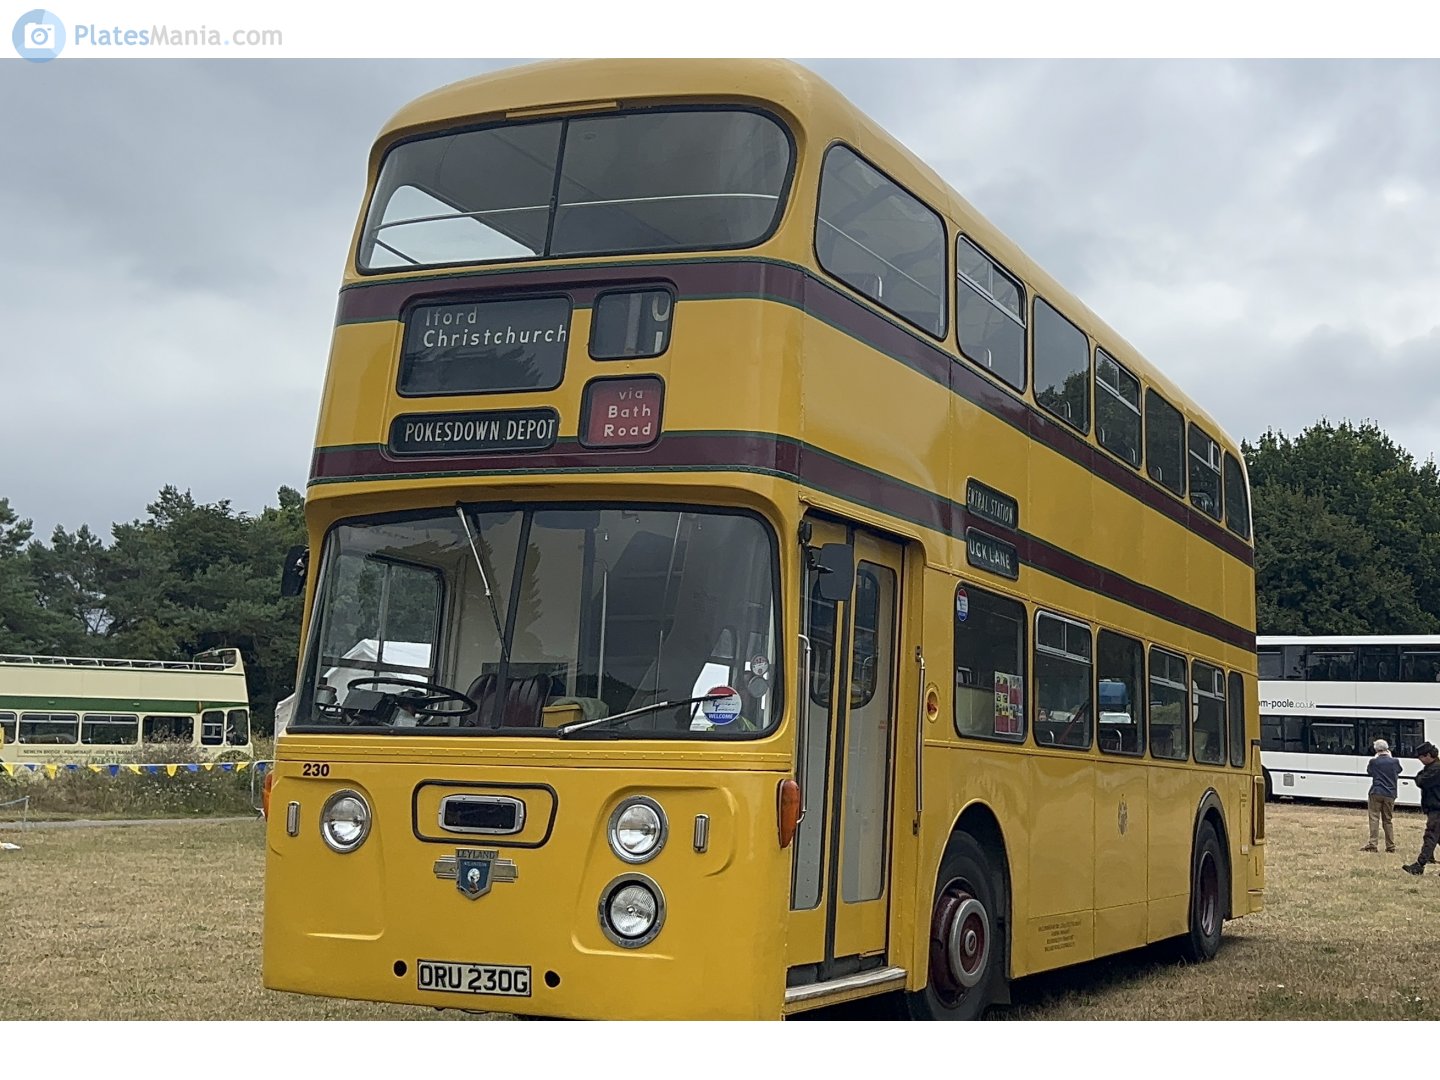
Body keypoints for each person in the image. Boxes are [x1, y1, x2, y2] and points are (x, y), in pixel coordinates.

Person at [1402, 742, 1440, 875]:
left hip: (1437, 808)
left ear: (1428, 755)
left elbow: (1421, 781)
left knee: (1430, 835)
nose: (1420, 760)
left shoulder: (1436, 769)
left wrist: (1419, 777)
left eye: (1421, 757)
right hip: (1435, 807)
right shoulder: (1433, 767)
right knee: (1437, 837)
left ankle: (1420, 864)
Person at [1361, 739, 1402, 852]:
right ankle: (1390, 846)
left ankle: (1373, 844)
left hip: (1376, 791)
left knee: (1374, 818)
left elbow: (1370, 772)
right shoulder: (1395, 761)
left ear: (1376, 750)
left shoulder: (1374, 762)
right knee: (1388, 820)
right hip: (1390, 793)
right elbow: (1399, 770)